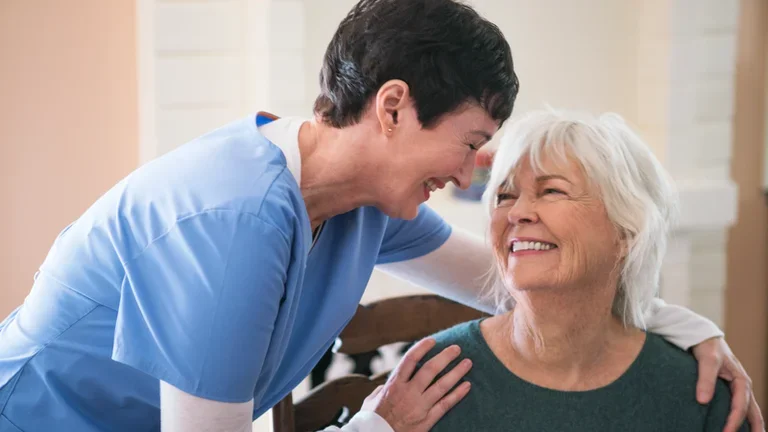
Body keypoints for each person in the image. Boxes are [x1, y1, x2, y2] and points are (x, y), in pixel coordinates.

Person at [0, 1, 761, 431]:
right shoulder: (233, 223)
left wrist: (687, 329)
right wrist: (378, 426)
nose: (467, 177)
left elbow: (510, 281)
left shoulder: (361, 201)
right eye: (470, 144)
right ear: (393, 107)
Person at [415, 109, 751, 431]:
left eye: (552, 190)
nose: (517, 212)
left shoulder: (700, 391)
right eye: (504, 195)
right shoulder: (430, 382)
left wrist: (697, 329)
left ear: (627, 233)